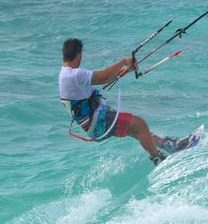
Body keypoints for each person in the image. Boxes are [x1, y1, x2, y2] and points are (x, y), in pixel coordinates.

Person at [58, 37, 190, 166]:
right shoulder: (73, 75)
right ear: (78, 56)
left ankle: (170, 146)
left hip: (96, 121)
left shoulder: (65, 75)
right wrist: (123, 62)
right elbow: (104, 77)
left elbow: (104, 78)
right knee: (140, 125)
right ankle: (159, 159)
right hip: (98, 121)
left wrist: (123, 71)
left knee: (138, 131)